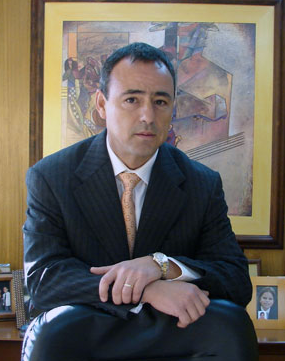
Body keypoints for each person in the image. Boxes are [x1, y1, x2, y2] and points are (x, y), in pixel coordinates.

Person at [23, 42, 251, 328]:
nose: (148, 116)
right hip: (85, 344)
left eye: (160, 102)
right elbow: (43, 279)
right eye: (132, 100)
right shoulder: (51, 177)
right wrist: (146, 289)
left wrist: (161, 265)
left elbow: (236, 281)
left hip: (172, 346)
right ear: (102, 104)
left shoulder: (202, 184)